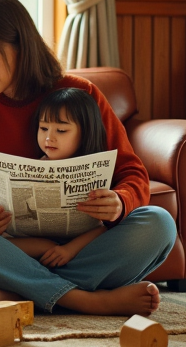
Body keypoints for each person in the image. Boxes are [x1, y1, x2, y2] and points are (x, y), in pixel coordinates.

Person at [0, 0, 176, 317]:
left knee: (159, 224)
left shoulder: (80, 94)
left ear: (21, 47)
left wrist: (120, 201)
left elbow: (132, 174)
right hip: (9, 249)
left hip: (79, 247)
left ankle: (19, 292)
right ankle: (86, 301)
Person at [9, 88, 110, 267]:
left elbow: (103, 228)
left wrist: (69, 250)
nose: (49, 137)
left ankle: (24, 286)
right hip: (35, 246)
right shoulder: (33, 167)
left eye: (61, 130)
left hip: (79, 249)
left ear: (85, 132)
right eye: (44, 128)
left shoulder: (97, 172)